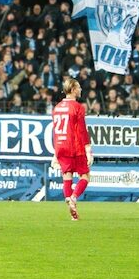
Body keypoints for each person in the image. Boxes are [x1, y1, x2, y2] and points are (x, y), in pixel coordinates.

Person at [51, 78, 92, 220]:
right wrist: (88, 149)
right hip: (74, 146)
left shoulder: (56, 108)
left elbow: (55, 130)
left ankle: (71, 206)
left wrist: (55, 153)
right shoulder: (77, 107)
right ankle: (73, 198)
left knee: (67, 176)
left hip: (60, 146)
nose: (80, 89)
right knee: (85, 176)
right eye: (79, 87)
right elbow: (81, 130)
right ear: (73, 89)